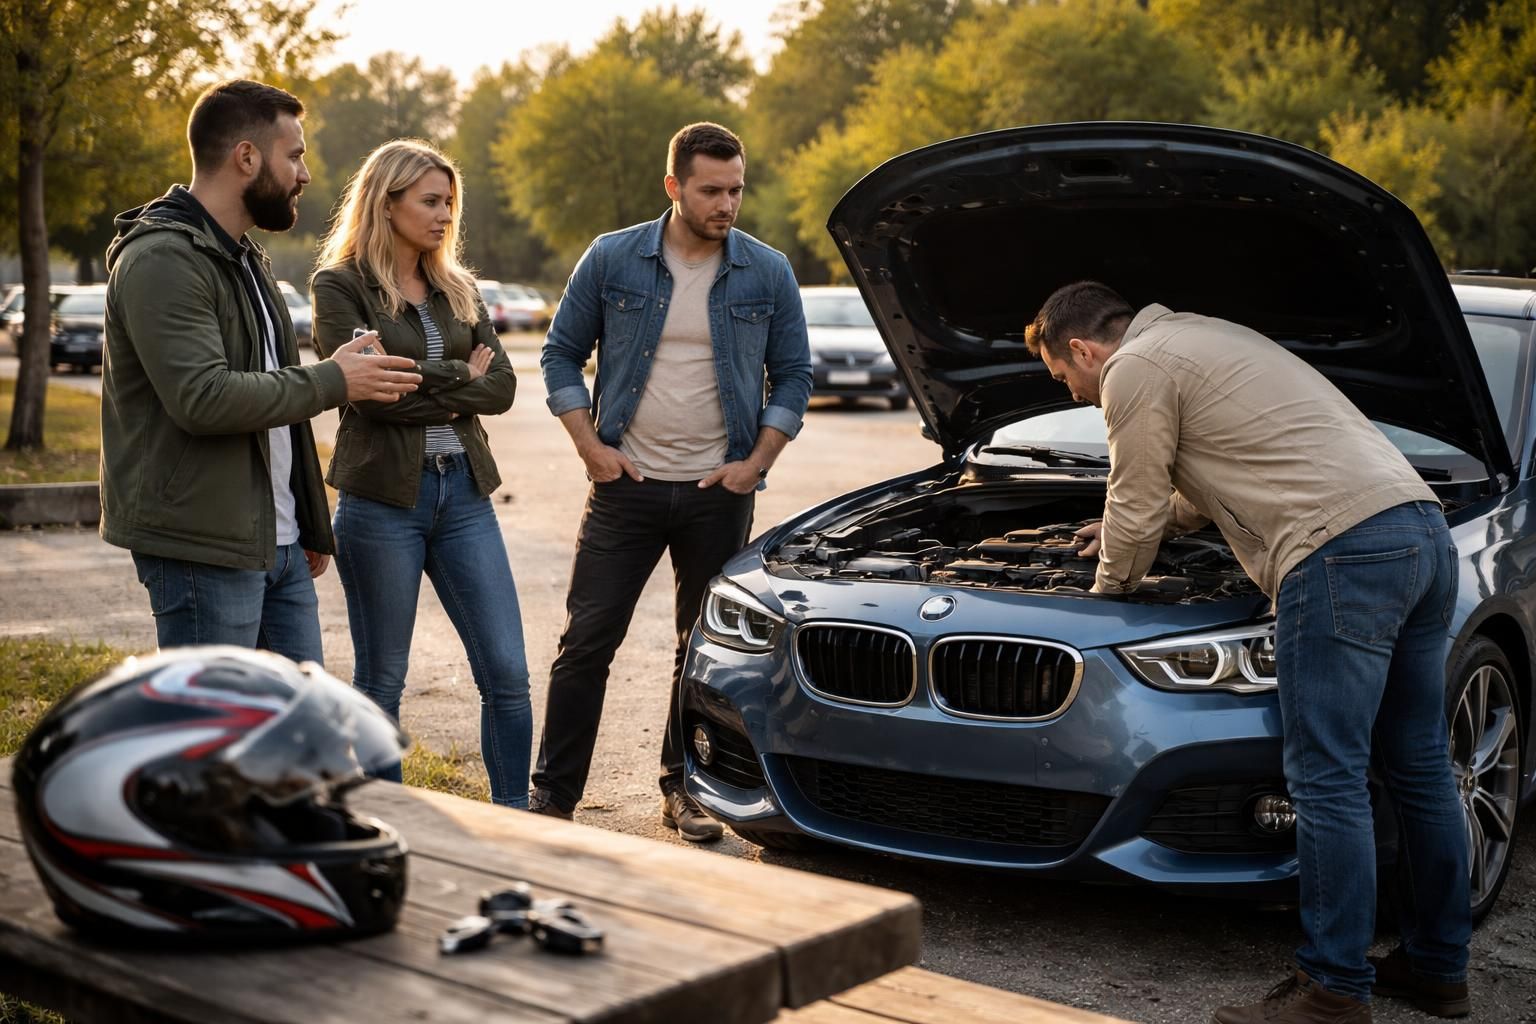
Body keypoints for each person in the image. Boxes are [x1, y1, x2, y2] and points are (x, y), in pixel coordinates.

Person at [1025, 282, 1470, 1023]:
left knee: (1327, 778)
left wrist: (1103, 596)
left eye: (1064, 379)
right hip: (1418, 533)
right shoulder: (1203, 336)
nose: (1072, 393)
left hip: (1339, 557)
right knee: (1420, 765)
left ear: (1083, 349)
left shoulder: (1132, 368)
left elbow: (1130, 495)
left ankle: (1332, 992)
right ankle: (1437, 968)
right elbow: (1208, 476)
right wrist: (1159, 528)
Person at [532, 121, 813, 839]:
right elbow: (560, 355)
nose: (727, 204)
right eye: (711, 190)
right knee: (587, 643)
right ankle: (552, 801)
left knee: (702, 653)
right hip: (624, 484)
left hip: (717, 493)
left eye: (736, 190)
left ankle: (681, 790)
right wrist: (590, 447)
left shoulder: (767, 270)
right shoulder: (613, 258)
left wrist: (756, 466)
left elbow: (795, 375)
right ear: (674, 188)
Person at [101, 79, 421, 664]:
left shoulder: (244, 257)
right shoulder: (164, 258)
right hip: (202, 547)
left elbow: (272, 395)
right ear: (246, 158)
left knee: (298, 737)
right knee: (214, 740)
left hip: (273, 541)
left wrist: (301, 516)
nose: (304, 174)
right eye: (294, 155)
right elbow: (204, 398)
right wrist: (335, 380)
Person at [310, 139, 531, 808]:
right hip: (381, 502)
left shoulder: (457, 287)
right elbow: (367, 388)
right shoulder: (339, 284)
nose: (444, 216)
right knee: (383, 679)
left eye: (449, 203)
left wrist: (428, 383)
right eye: (431, 202)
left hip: (463, 492)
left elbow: (504, 388)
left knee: (508, 675)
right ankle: (395, 826)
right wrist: (459, 376)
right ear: (388, 201)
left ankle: (518, 821)